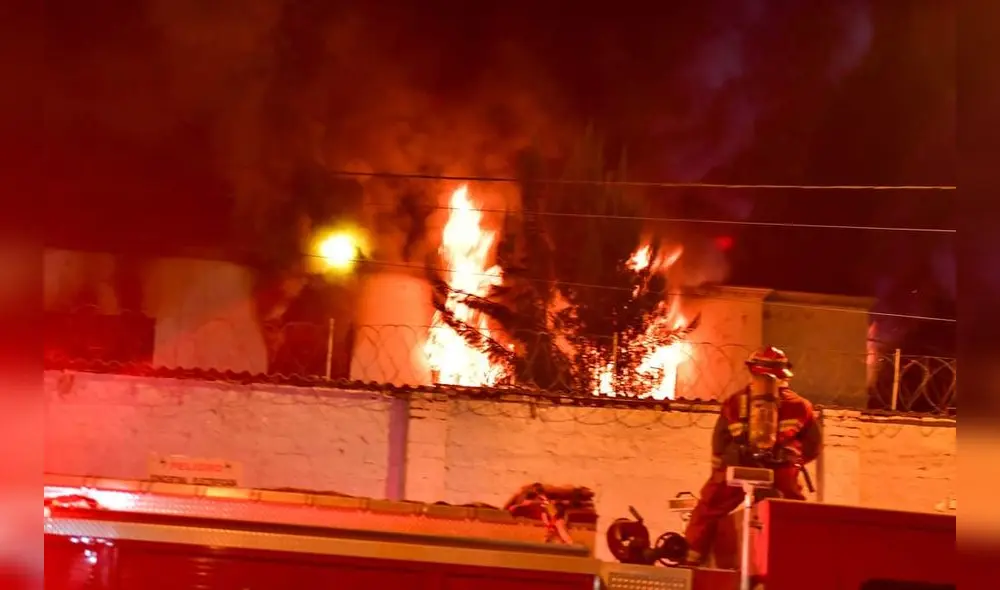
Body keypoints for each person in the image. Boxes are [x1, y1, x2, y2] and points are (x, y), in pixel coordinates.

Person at [682, 345, 822, 566]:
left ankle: (692, 554)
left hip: (739, 468)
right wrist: (794, 462)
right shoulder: (801, 406)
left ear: (752, 371)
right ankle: (795, 558)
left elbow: (719, 443)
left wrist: (719, 472)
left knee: (709, 508)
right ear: (784, 373)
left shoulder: (734, 402)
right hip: (781, 471)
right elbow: (813, 446)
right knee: (792, 512)